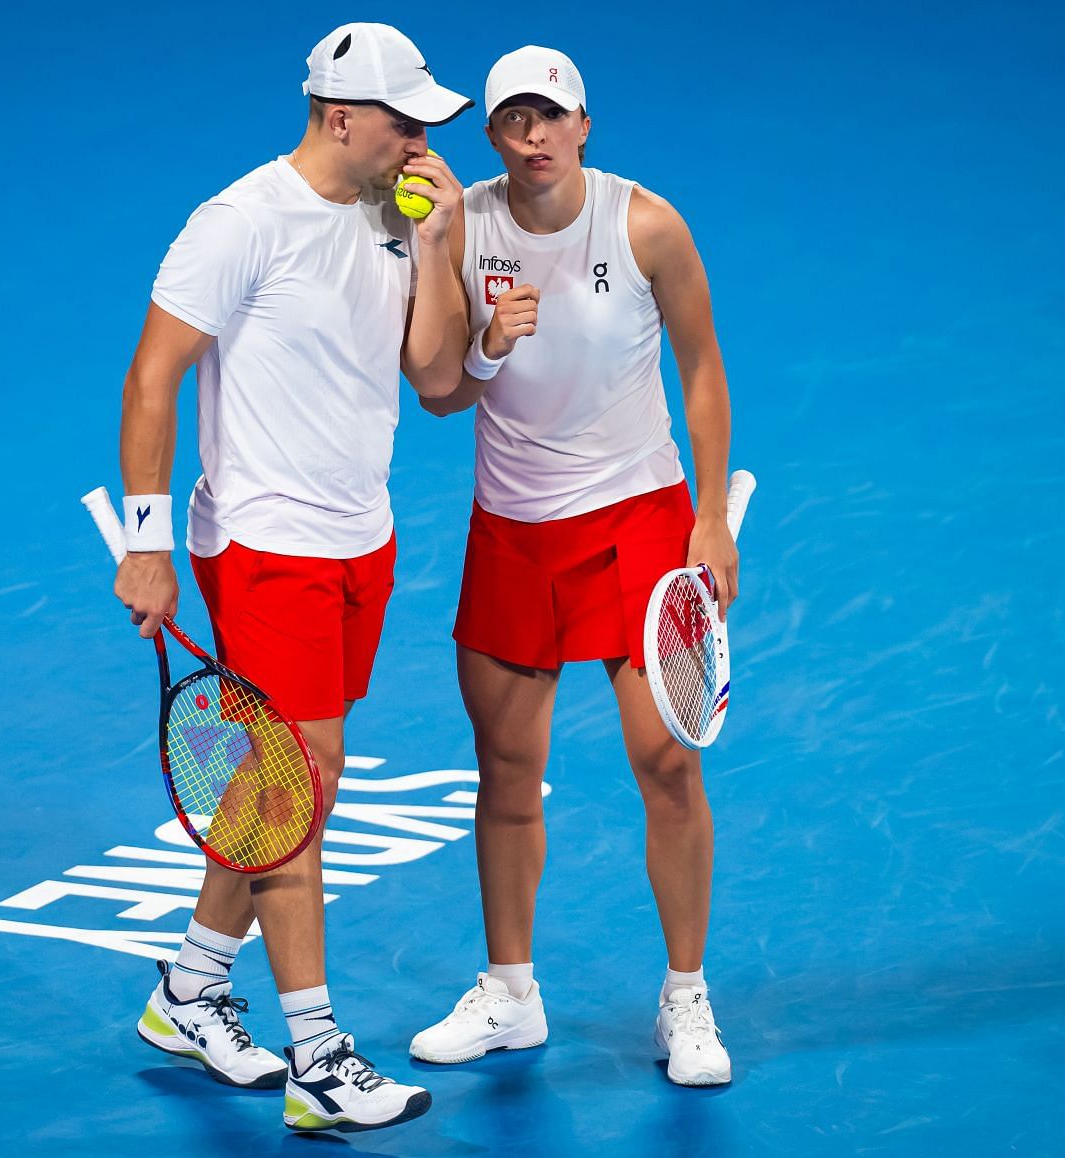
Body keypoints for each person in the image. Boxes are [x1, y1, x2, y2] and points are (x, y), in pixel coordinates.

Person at [111, 22, 472, 1131]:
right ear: (341, 117)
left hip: (362, 535)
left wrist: (444, 242)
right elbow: (151, 379)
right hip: (266, 543)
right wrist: (147, 540)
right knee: (297, 786)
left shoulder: (395, 218)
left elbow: (438, 382)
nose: (420, 142)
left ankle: (189, 989)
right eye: (405, 122)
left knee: (287, 783)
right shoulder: (238, 224)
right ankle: (319, 1056)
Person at [408, 45, 739, 1087]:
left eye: (551, 118)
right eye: (513, 121)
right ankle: (510, 992)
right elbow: (439, 394)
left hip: (638, 523)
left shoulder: (644, 224)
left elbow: (701, 367)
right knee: (505, 774)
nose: (533, 137)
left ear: (585, 124)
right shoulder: (464, 229)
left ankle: (686, 998)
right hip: (511, 530)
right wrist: (488, 345)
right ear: (494, 134)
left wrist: (711, 521)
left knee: (669, 765)